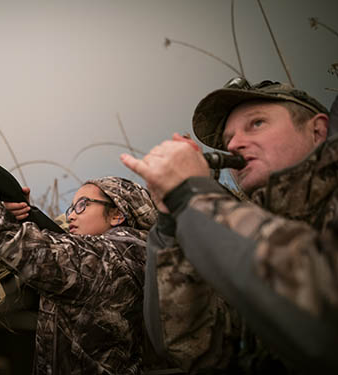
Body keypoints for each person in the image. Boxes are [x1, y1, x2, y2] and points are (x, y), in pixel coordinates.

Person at [121, 78, 338, 374]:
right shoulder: (240, 226)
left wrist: (192, 196)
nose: (233, 145)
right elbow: (197, 349)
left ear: (318, 131)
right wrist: (170, 223)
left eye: (257, 123)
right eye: (228, 139)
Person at [0, 120, 158, 375]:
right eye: (71, 206)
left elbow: (2, 237)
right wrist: (18, 216)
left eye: (83, 204)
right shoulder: (136, 256)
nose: (72, 215)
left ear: (117, 214)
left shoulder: (108, 260)